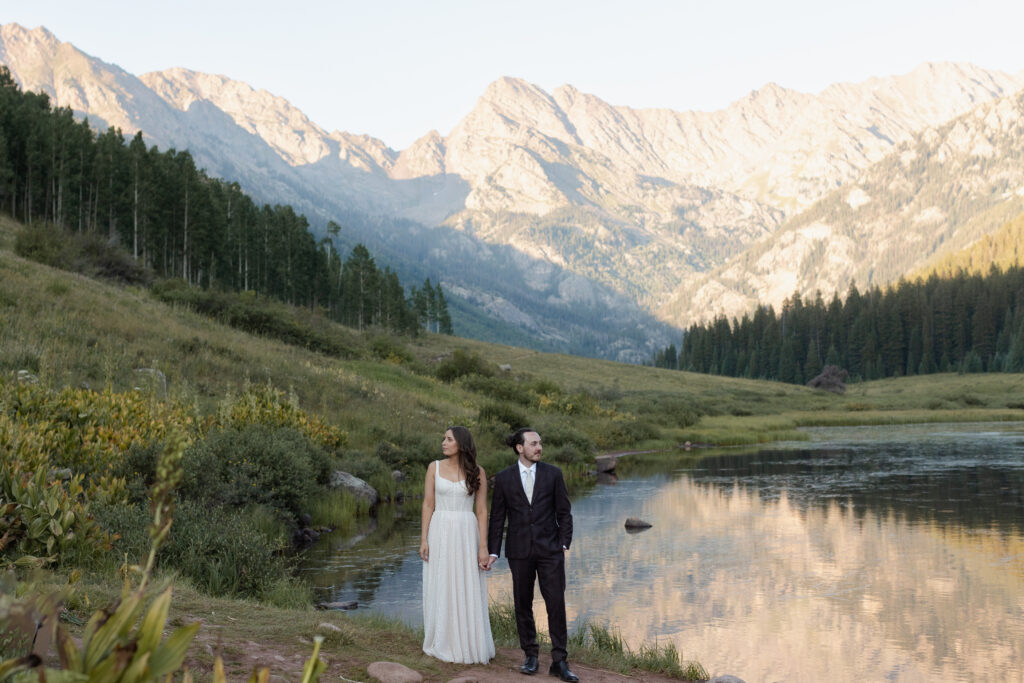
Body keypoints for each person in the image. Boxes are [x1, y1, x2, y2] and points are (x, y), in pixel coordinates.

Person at [486, 428, 579, 682]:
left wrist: (563, 543)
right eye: (533, 443)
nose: (539, 448)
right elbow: (497, 518)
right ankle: (531, 655)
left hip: (550, 550)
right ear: (520, 448)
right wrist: (493, 551)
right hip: (519, 551)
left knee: (556, 604)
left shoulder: (554, 474)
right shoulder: (504, 478)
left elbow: (564, 512)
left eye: (540, 443)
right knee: (522, 603)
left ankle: (560, 661)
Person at [420, 426, 495, 664]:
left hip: (466, 532)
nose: (443, 442)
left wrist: (483, 547)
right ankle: (442, 640)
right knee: (441, 581)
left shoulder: (478, 472)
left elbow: (482, 511)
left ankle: (468, 642)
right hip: (440, 530)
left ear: (461, 444)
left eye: (449, 439)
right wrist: (423, 538)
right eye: (444, 438)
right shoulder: (434, 467)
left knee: (465, 583)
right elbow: (428, 505)